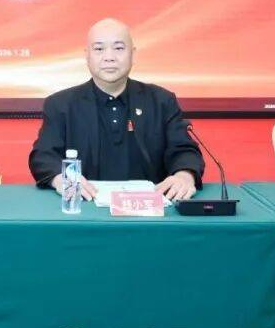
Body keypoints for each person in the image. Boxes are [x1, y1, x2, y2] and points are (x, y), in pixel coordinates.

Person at [28, 18, 203, 201]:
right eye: (99, 49)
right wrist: (60, 179)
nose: (109, 57)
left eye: (119, 48)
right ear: (87, 56)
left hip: (149, 209)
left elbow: (184, 150)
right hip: (85, 205)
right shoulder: (61, 105)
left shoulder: (161, 101)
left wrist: (184, 176)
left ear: (133, 54)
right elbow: (43, 156)